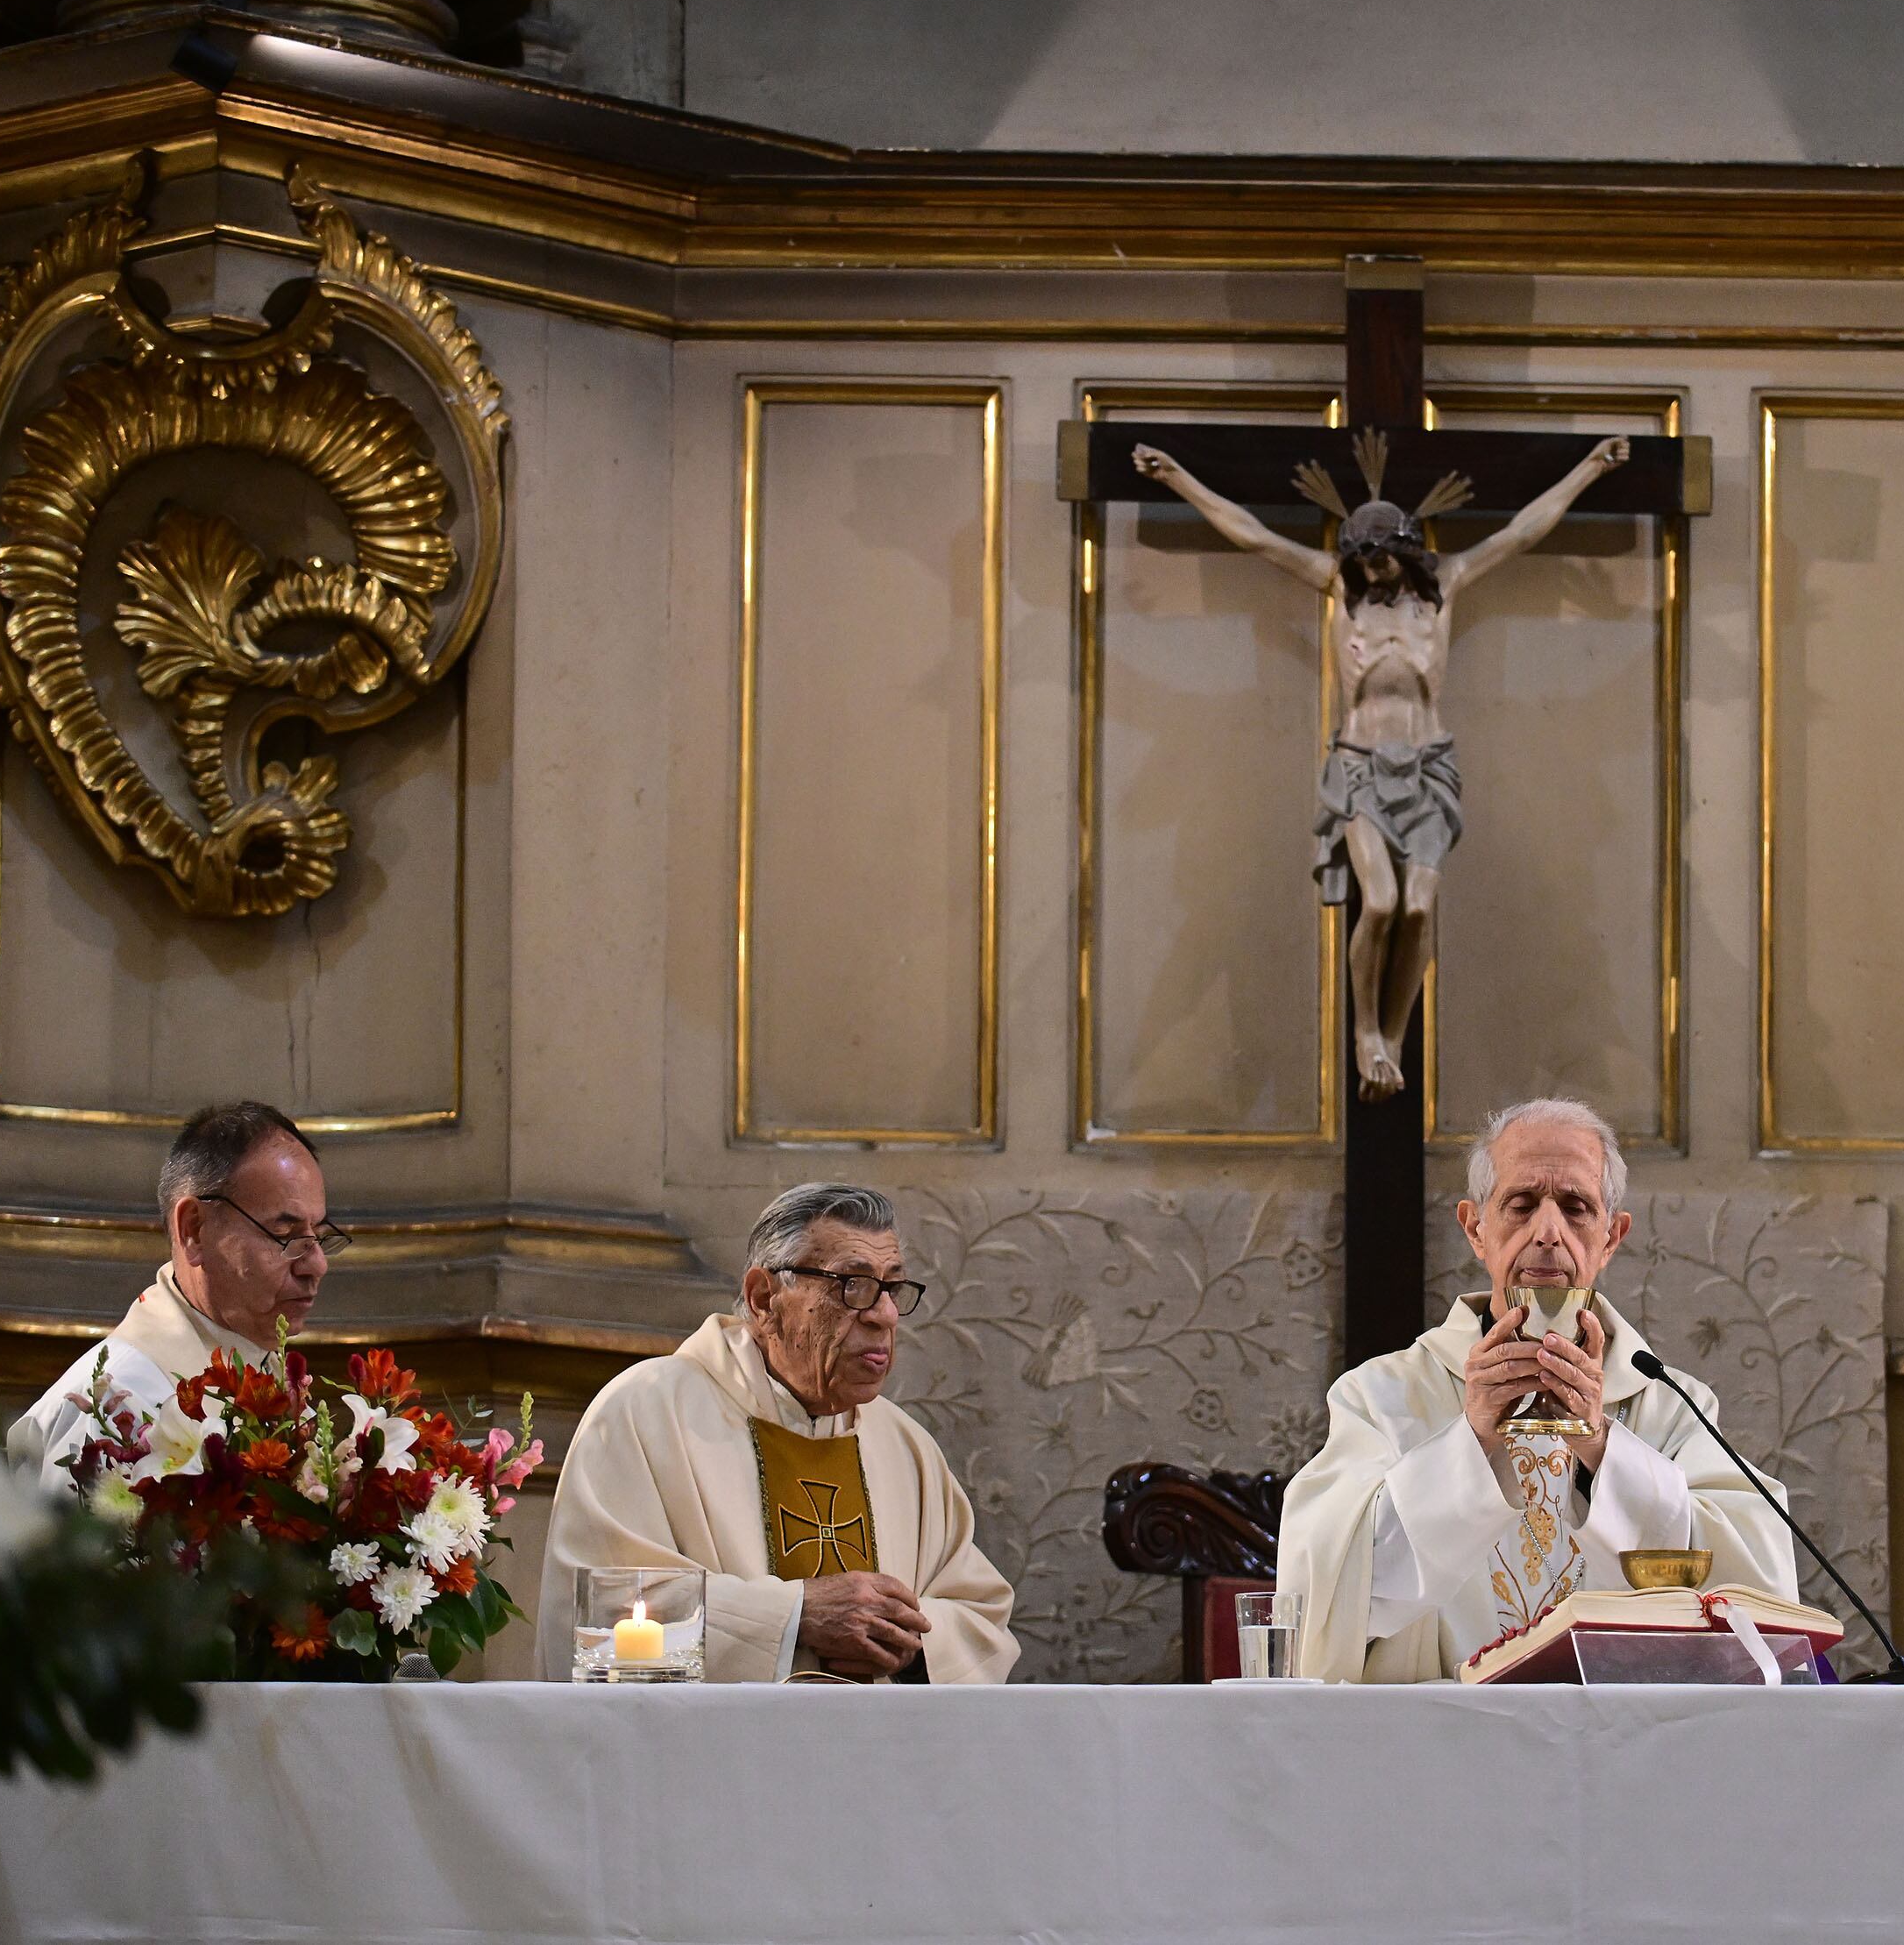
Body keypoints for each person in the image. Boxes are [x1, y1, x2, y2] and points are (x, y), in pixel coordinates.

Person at [1129, 428, 1629, 1099]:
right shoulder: (1340, 589)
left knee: (1418, 908)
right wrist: (1176, 480)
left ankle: (1390, 1038)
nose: (1373, 571)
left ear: (1404, 549)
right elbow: (1251, 535)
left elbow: (1519, 534)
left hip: (1427, 768)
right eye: (1362, 560)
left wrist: (1590, 469)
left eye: (1383, 559)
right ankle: (1367, 1030)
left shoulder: (1444, 586)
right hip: (1360, 766)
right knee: (1383, 901)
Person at [1276, 1097, 1797, 1681]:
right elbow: (1331, 1596)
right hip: (1440, 1740)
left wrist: (1603, 1448)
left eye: (1575, 1208)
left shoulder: (1674, 1407)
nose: (1547, 1233)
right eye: (1520, 1205)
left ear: (1611, 1237)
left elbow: (1757, 1593)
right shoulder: (1383, 1395)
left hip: (1620, 1742)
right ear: (1476, 1229)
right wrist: (1470, 1440)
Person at [541, 1182, 1019, 1683]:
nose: (884, 1314)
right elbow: (596, 1622)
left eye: (892, 1287)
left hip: (877, 1753)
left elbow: (981, 1619)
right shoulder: (644, 1413)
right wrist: (792, 1617)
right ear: (764, 1297)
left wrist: (911, 1642)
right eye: (852, 1285)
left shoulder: (905, 1447)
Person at [6, 1100, 337, 1481]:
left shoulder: (274, 1384)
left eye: (320, 1236)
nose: (317, 1265)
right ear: (194, 1230)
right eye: (284, 1233)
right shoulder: (116, 1411)